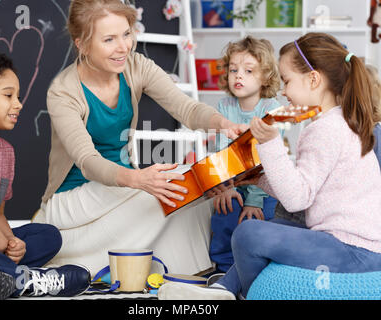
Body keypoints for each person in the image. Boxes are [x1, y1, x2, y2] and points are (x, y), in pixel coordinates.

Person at [158, 32, 381, 300]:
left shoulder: (325, 130)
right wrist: (257, 179)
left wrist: (269, 143)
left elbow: (296, 200)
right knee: (278, 228)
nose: (283, 91)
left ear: (313, 79)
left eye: (287, 81)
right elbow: (307, 191)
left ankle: (253, 294)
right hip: (361, 251)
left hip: (353, 253)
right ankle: (222, 289)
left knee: (248, 233)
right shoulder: (341, 122)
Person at [32, 0, 246, 277]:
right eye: (109, 39)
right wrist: (139, 179)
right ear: (82, 45)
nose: (123, 47)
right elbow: (87, 160)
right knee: (181, 181)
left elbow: (187, 108)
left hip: (121, 190)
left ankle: (195, 274)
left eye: (126, 33)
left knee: (193, 183)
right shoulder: (63, 92)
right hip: (73, 198)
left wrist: (224, 124)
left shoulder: (136, 67)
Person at [0, 48, 90, 300]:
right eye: (8, 95)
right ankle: (25, 280)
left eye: (18, 96)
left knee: (48, 236)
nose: (19, 104)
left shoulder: (7, 153)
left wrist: (12, 241)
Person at [274, 65, 381, 259]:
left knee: (303, 207)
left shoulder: (376, 136)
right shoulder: (339, 129)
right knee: (293, 204)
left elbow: (372, 194)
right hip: (350, 210)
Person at [209, 35, 282, 273]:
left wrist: (253, 200)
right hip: (233, 182)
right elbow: (220, 151)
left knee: (262, 220)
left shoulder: (269, 109)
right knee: (223, 214)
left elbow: (264, 159)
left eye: (248, 71)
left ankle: (261, 270)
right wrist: (225, 187)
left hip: (263, 185)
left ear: (265, 78)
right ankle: (224, 270)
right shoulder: (224, 107)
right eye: (233, 70)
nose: (238, 75)